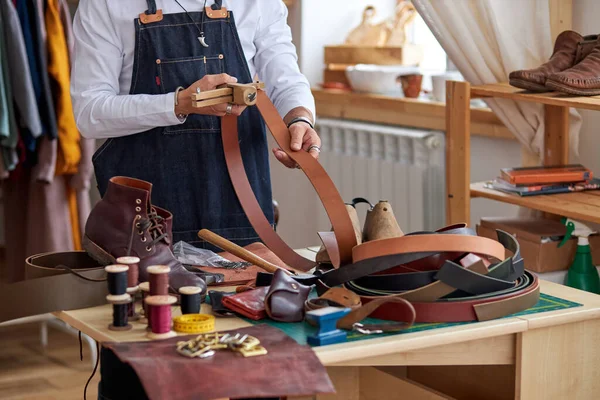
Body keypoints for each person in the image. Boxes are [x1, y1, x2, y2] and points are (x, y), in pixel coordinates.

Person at [70, 0, 320, 249]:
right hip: (145, 227)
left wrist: (299, 119)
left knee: (253, 288)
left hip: (239, 213)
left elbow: (285, 80)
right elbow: (89, 113)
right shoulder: (103, 4)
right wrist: (178, 104)